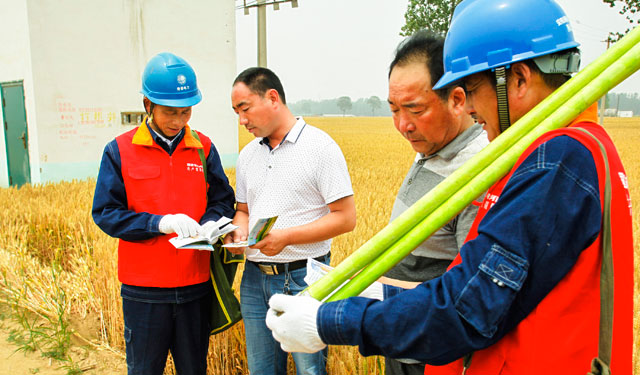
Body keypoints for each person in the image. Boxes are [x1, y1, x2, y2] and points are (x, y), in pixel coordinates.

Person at [264, 1, 634, 374]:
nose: (468, 107)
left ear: (518, 79)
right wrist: (370, 296)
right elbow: (479, 286)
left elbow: (467, 309)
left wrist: (329, 322)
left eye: (471, 89)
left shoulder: (556, 161)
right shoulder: (565, 149)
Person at [92, 52, 236, 375]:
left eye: (186, 112)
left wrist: (210, 223)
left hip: (195, 287)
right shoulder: (119, 151)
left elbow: (224, 199)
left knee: (194, 369)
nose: (178, 121)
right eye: (170, 112)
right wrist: (159, 223)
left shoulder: (203, 148)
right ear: (147, 105)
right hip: (144, 293)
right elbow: (105, 213)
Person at [226, 67, 356, 375]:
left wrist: (287, 237)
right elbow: (243, 209)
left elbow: (346, 218)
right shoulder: (247, 156)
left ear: (272, 98)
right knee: (261, 370)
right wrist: (238, 233)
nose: (242, 120)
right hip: (254, 280)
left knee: (310, 371)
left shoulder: (320, 147)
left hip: (302, 278)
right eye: (236, 113)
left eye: (245, 109)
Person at [375, 30, 488, 375]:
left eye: (415, 110)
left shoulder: (476, 172)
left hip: (433, 356)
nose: (403, 125)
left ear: (456, 100)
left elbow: (470, 290)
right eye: (394, 110)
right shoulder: (432, 145)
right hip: (401, 338)